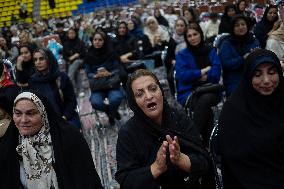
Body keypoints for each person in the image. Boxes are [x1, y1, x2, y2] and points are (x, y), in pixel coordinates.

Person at [116, 69, 208, 189]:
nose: (149, 96)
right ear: (133, 103)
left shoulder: (179, 119)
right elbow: (126, 180)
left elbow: (204, 162)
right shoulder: (127, 134)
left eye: (153, 89)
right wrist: (156, 168)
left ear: (161, 92)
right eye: (140, 94)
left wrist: (180, 159)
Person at [0, 91, 103, 189]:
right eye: (17, 113)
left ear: (44, 114)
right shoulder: (10, 143)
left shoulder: (69, 139)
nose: (23, 120)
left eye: (31, 113)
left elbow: (85, 182)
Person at [218, 48, 284, 189]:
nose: (266, 81)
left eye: (272, 72)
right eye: (257, 74)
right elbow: (236, 163)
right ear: (248, 77)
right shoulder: (234, 111)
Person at [175, 23, 221, 144]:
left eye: (195, 34)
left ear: (201, 34)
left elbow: (216, 74)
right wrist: (200, 72)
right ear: (186, 38)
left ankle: (192, 139)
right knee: (206, 111)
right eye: (189, 36)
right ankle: (209, 147)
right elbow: (181, 75)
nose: (192, 38)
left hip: (210, 89)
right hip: (189, 92)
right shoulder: (182, 54)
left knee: (205, 100)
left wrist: (197, 76)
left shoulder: (210, 51)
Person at [28, 48, 81, 129]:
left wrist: (64, 117)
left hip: (67, 117)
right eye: (35, 60)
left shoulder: (61, 77)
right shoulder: (33, 81)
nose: (38, 62)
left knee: (69, 132)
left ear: (49, 59)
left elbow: (71, 101)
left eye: (41, 59)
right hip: (46, 123)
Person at [84, 31, 124, 125]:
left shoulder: (111, 53)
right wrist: (95, 75)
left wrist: (109, 73)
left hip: (111, 83)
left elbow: (117, 69)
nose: (97, 42)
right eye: (95, 40)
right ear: (92, 41)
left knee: (116, 98)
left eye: (100, 40)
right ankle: (111, 112)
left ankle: (111, 112)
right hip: (97, 85)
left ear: (104, 41)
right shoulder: (88, 56)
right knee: (95, 102)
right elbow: (88, 72)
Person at [218, 15, 259, 96]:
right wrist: (243, 59)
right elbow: (225, 64)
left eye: (243, 24)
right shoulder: (227, 43)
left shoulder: (253, 40)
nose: (241, 27)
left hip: (254, 75)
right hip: (234, 78)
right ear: (232, 28)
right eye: (237, 25)